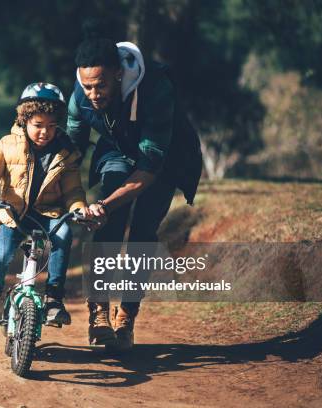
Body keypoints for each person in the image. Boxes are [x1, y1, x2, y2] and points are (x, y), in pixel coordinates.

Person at [66, 31, 201, 348]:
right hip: (117, 151)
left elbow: (149, 168)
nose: (94, 94)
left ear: (117, 73)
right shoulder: (79, 97)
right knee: (108, 222)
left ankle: (126, 314)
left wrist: (105, 205)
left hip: (164, 159)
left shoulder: (156, 89)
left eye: (101, 86)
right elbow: (71, 152)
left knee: (142, 231)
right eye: (87, 87)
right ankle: (98, 312)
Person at [0, 82, 92, 331]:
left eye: (50, 126)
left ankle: (54, 298)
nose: (44, 132)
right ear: (24, 120)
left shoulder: (66, 153)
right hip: (13, 212)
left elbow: (72, 190)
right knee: (3, 253)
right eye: (38, 125)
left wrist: (78, 207)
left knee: (64, 234)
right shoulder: (7, 144)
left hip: (49, 215)